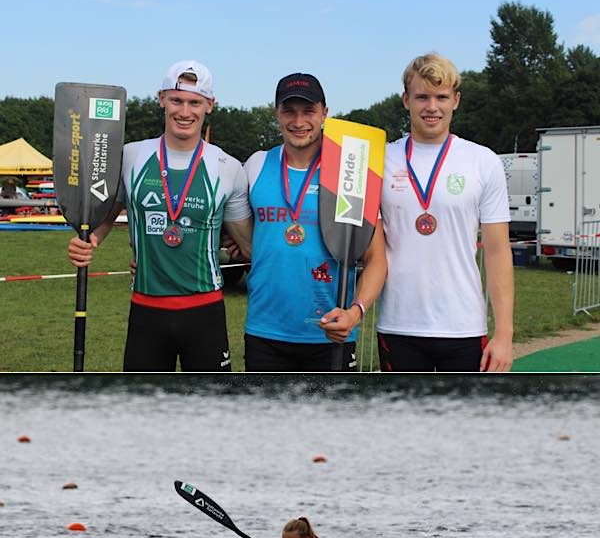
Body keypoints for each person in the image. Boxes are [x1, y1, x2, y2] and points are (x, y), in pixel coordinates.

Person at [67, 60, 253, 372]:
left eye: (195, 102)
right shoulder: (130, 156)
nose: (184, 111)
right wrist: (90, 240)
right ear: (161, 99)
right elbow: (107, 214)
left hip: (205, 312)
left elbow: (248, 245)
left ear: (210, 105)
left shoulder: (229, 167)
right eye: (177, 100)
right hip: (146, 311)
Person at [378, 53, 513, 373]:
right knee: (405, 424)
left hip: (463, 326)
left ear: (456, 100)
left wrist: (505, 334)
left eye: (441, 97)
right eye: (422, 96)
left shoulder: (483, 161)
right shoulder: (381, 159)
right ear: (405, 100)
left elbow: (497, 251)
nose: (432, 107)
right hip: (399, 325)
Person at [243, 72, 387, 372]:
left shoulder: (351, 171)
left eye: (308, 111)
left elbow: (376, 259)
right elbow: (242, 235)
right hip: (265, 333)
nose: (299, 122)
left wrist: (356, 312)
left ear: (325, 114)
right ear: (276, 114)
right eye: (289, 111)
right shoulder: (256, 165)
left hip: (331, 332)